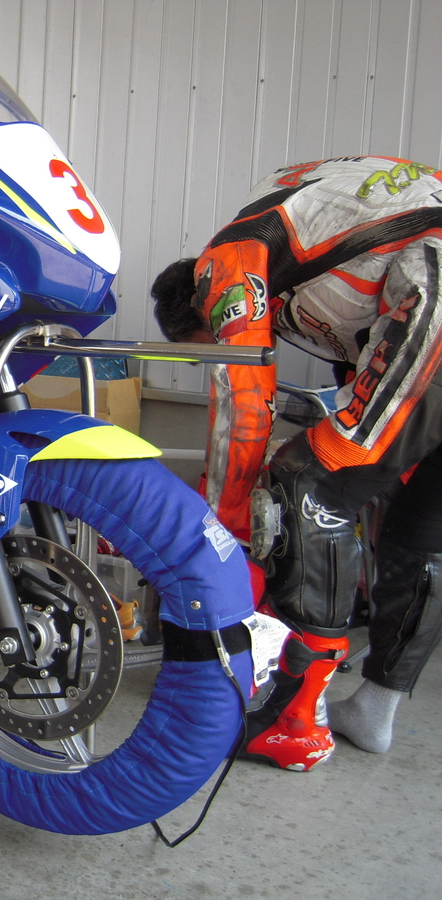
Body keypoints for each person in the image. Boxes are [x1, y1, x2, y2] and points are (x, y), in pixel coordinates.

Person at [150, 156, 442, 770]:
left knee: (307, 482)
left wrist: (222, 532)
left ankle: (296, 722)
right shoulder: (305, 261)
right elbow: (365, 359)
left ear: (200, 307)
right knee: (422, 526)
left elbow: (242, 401)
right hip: (421, 289)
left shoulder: (227, 261)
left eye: (207, 350)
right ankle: (375, 710)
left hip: (434, 280)